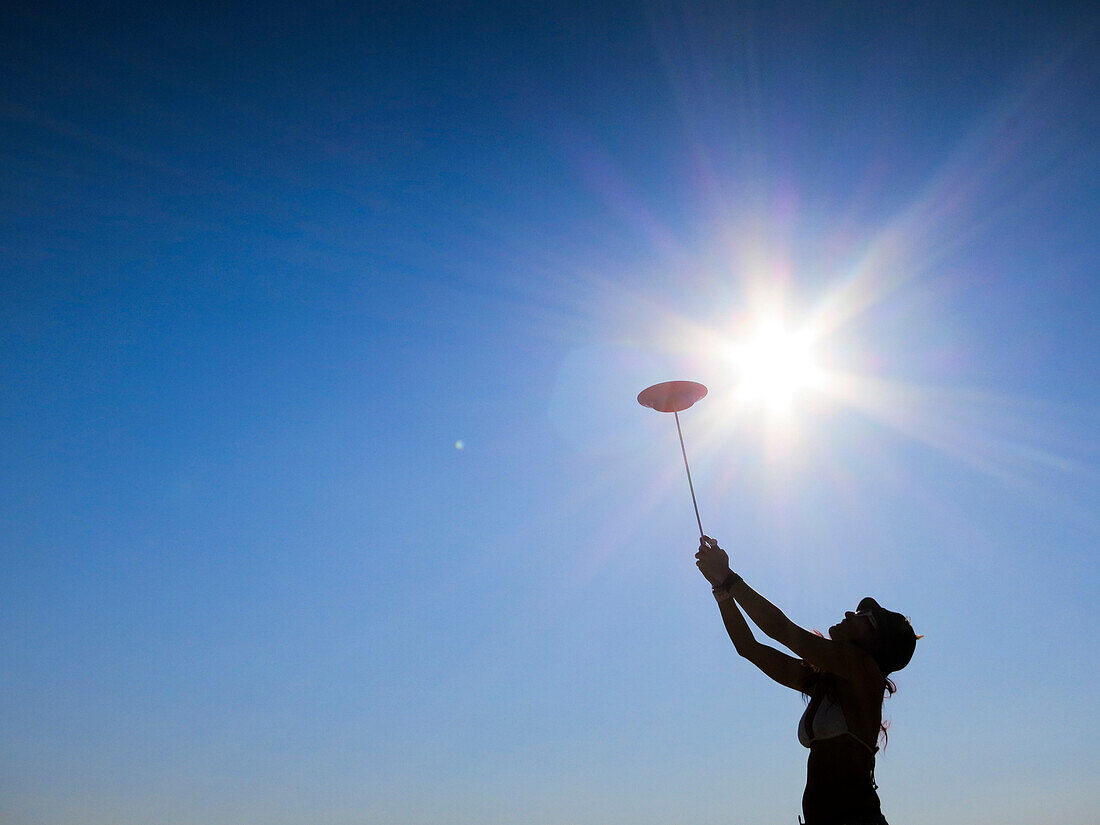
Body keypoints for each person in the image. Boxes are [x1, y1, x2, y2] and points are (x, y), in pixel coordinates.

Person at [695, 535, 918, 825]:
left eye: (866, 615)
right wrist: (719, 588)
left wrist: (728, 576)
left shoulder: (865, 670)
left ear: (877, 644)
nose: (851, 612)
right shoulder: (829, 684)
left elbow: (781, 629)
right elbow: (748, 648)